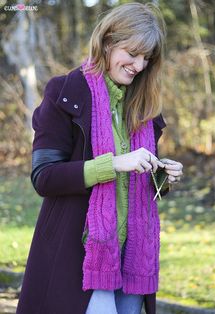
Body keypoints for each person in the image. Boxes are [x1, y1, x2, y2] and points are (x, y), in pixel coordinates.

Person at [16, 2, 183, 314]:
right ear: (107, 42)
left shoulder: (145, 109)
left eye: (147, 58)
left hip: (132, 260)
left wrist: (163, 176)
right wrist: (113, 164)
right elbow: (45, 177)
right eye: (132, 54)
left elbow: (140, 185)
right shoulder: (65, 92)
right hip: (81, 258)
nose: (139, 65)